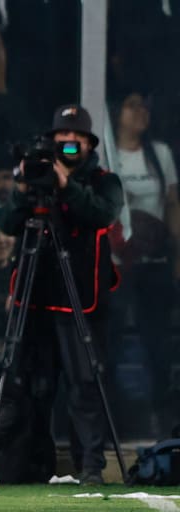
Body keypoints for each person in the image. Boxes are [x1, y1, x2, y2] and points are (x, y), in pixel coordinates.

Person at [0, 103, 123, 484]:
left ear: (88, 144)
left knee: (85, 383)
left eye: (74, 143)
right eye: (60, 143)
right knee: (35, 383)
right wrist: (23, 186)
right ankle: (31, 462)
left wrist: (67, 184)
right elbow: (8, 222)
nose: (67, 148)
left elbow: (103, 213)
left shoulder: (103, 180)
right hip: (37, 296)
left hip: (80, 299)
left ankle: (91, 466)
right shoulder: (37, 177)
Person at [109, 90, 180, 436]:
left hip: (154, 263)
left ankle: (162, 419)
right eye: (132, 105)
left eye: (145, 106)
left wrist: (177, 254)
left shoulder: (160, 154)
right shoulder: (109, 153)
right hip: (116, 265)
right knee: (115, 340)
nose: (141, 112)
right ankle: (119, 420)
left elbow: (172, 205)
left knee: (158, 342)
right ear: (117, 112)